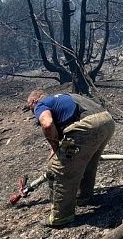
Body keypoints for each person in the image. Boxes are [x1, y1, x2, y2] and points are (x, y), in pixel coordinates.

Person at [26, 90, 115, 227]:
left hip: (87, 127)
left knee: (59, 169)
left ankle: (61, 216)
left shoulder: (41, 104)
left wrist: (56, 151)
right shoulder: (64, 97)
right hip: (106, 121)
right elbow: (61, 133)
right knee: (88, 161)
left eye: (31, 108)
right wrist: (55, 149)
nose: (33, 113)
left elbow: (47, 124)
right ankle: (83, 197)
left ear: (34, 101)